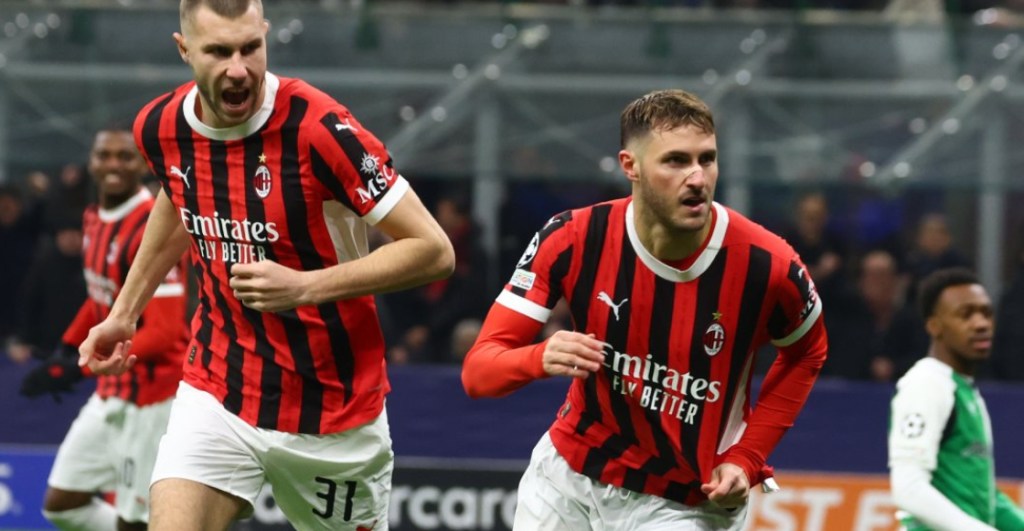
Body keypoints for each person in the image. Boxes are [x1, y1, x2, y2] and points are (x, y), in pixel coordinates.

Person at [77, 1, 455, 530]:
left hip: (332, 412)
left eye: (250, 48)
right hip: (218, 390)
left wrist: (305, 286)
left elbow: (434, 250)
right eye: (218, 52)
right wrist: (125, 312)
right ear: (184, 50)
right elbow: (179, 196)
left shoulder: (321, 129)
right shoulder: (160, 127)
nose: (239, 69)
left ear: (266, 37)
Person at [461, 89, 828, 530]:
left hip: (687, 503)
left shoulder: (769, 264)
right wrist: (539, 357)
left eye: (706, 159)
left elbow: (807, 352)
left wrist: (748, 456)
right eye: (675, 161)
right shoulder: (573, 237)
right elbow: (479, 372)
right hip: (567, 481)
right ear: (630, 166)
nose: (697, 177)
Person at [19, 127, 189, 530]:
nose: (113, 165)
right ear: (91, 162)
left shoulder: (153, 225)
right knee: (62, 505)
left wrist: (79, 366)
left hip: (154, 398)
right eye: (105, 155)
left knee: (139, 518)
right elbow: (101, 297)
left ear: (141, 164)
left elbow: (164, 331)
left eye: (124, 157)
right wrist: (65, 349)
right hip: (112, 392)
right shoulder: (94, 217)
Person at [888, 268, 1024, 531]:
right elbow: (908, 488)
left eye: (986, 313)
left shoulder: (964, 390)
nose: (981, 323)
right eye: (965, 314)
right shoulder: (926, 384)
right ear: (934, 326)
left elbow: (986, 498)